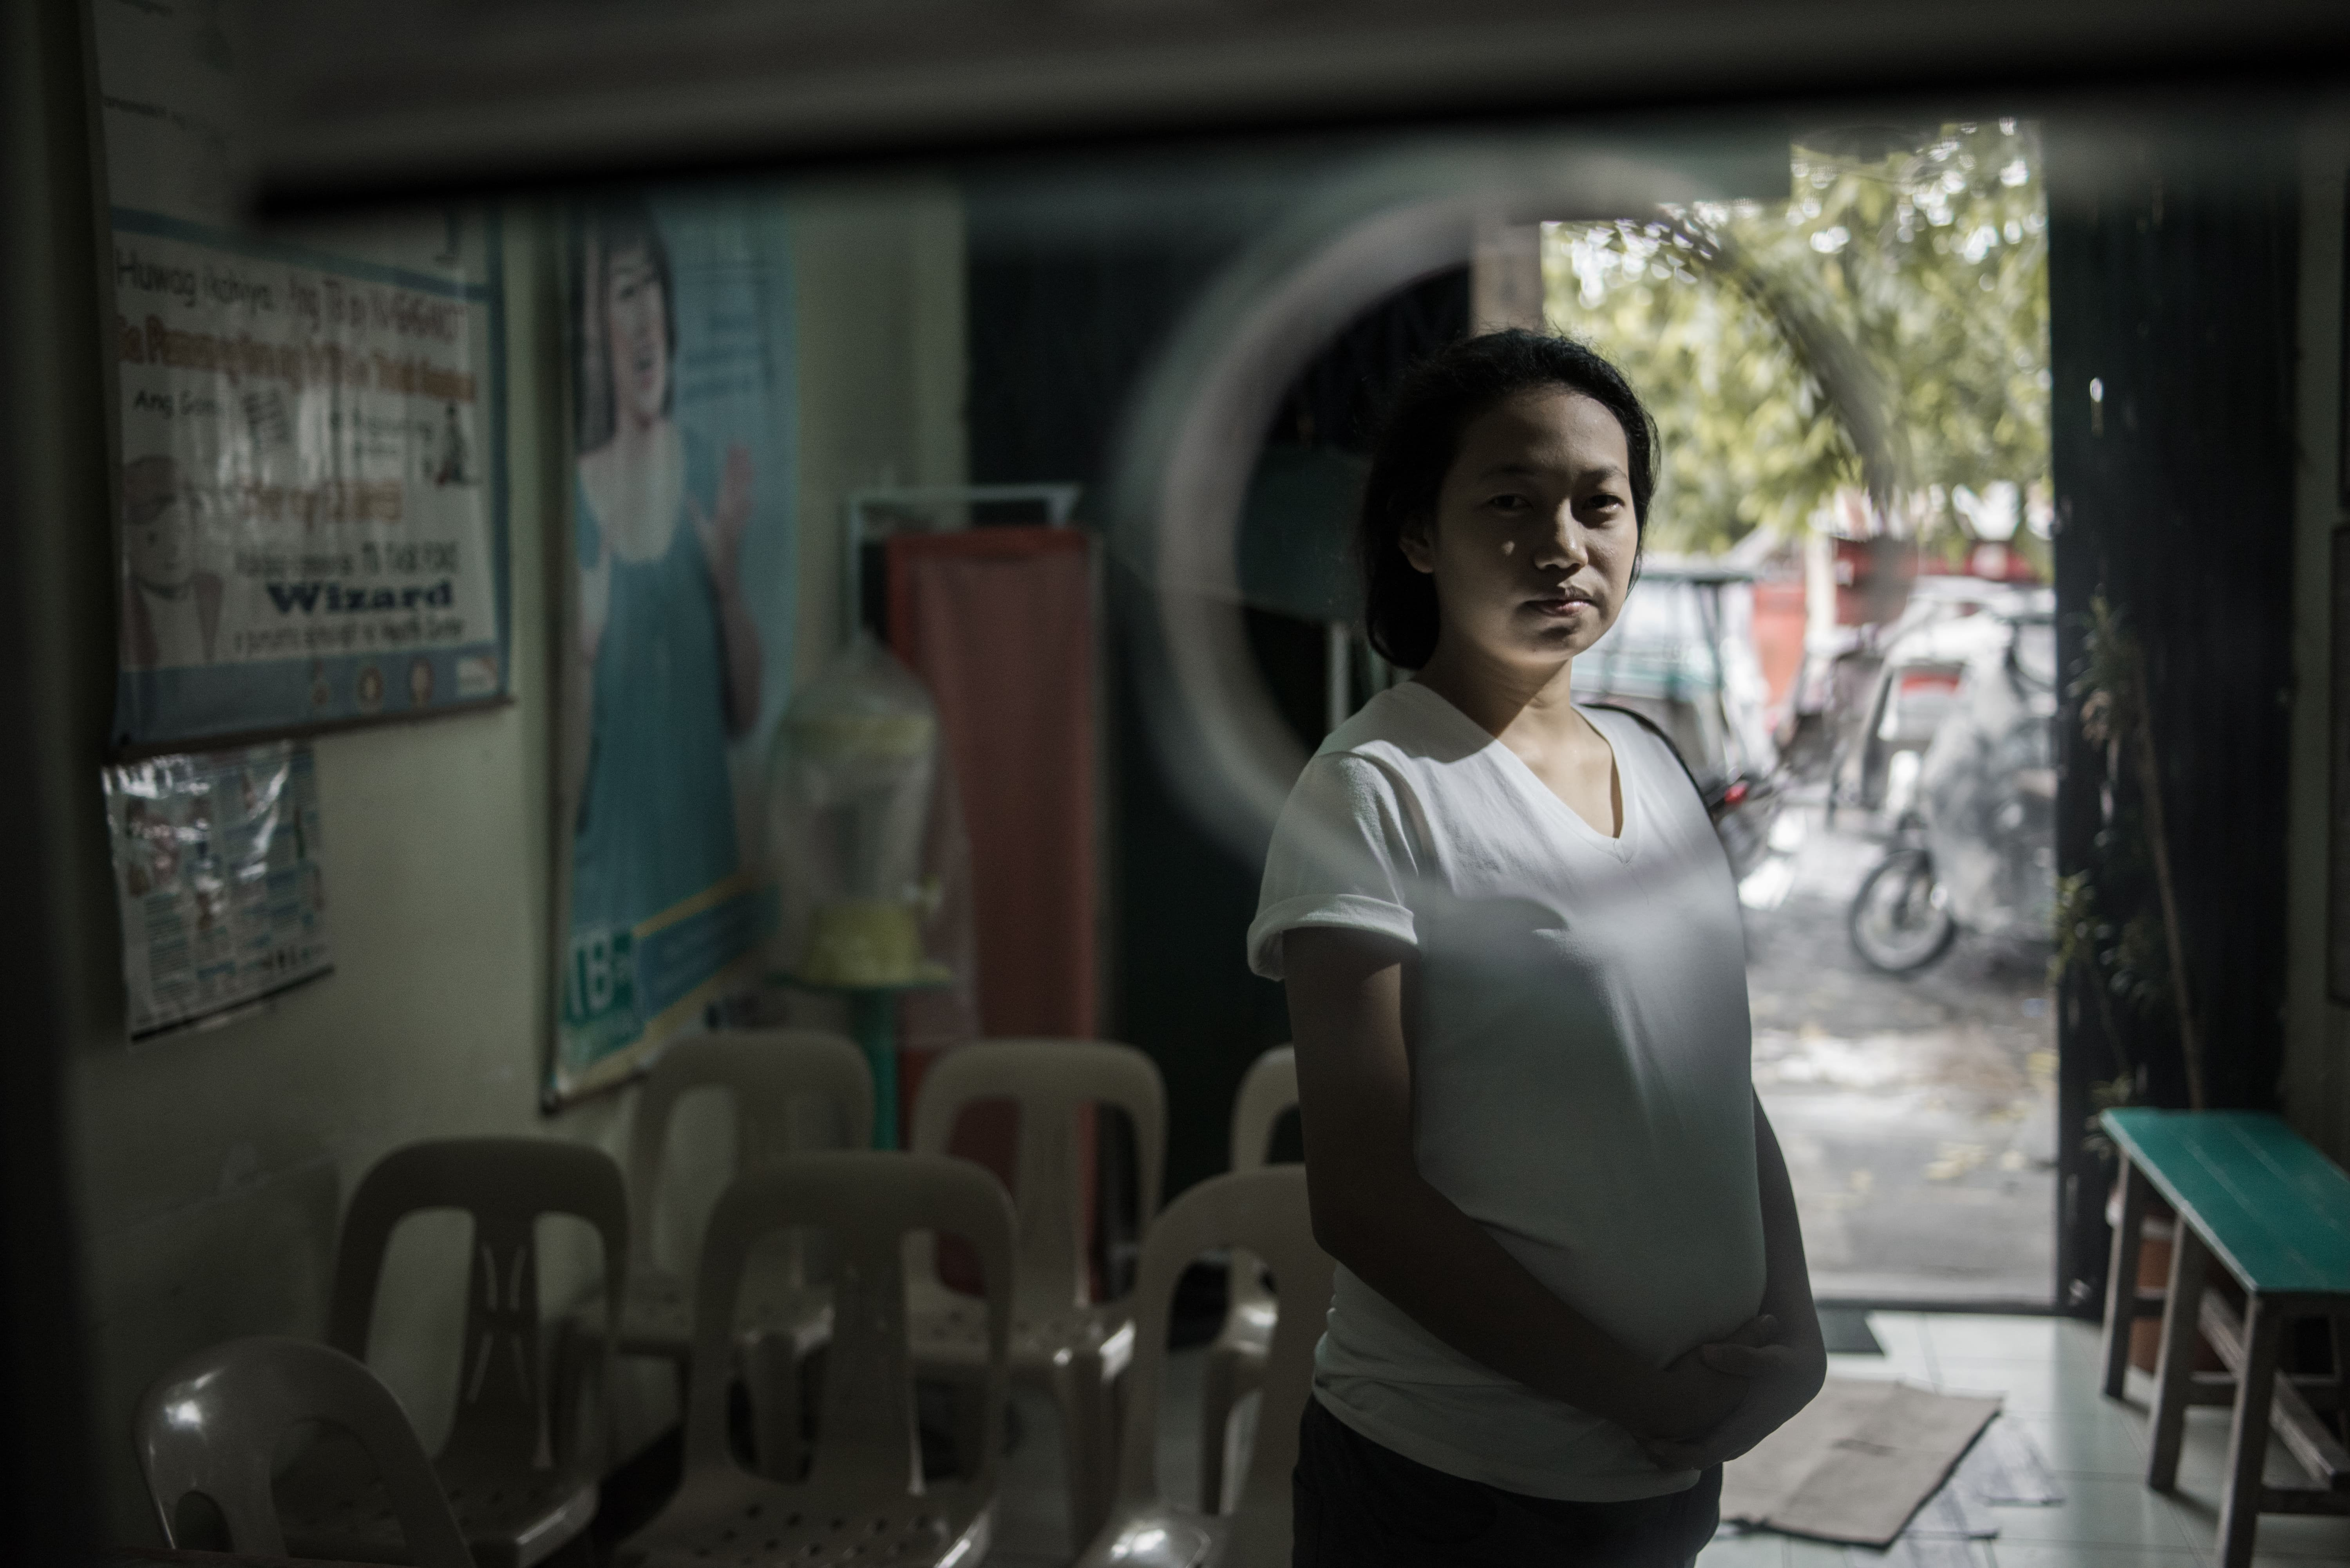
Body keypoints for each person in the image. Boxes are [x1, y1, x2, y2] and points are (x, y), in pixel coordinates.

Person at [1252, 331, 1824, 1566]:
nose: (1561, 540)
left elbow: (1711, 1085)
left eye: (1596, 501)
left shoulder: (1659, 768)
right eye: (1508, 499)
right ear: (1419, 534)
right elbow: (1360, 1195)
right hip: (1453, 1489)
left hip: (1657, 1475)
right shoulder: (1372, 790)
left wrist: (1796, 1322)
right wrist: (1633, 1391)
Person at [567, 199, 762, 1044]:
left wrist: (724, 587)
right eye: (620, 292)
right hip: (614, 906)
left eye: (650, 287)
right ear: (589, 327)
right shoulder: (572, 505)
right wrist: (582, 653)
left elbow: (746, 711)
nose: (643, 316)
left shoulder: (704, 481)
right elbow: (569, 788)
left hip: (701, 900)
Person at [120, 454, 223, 668]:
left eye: (182, 531)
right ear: (128, 542)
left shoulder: (212, 591)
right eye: (154, 538)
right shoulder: (127, 604)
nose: (175, 551)